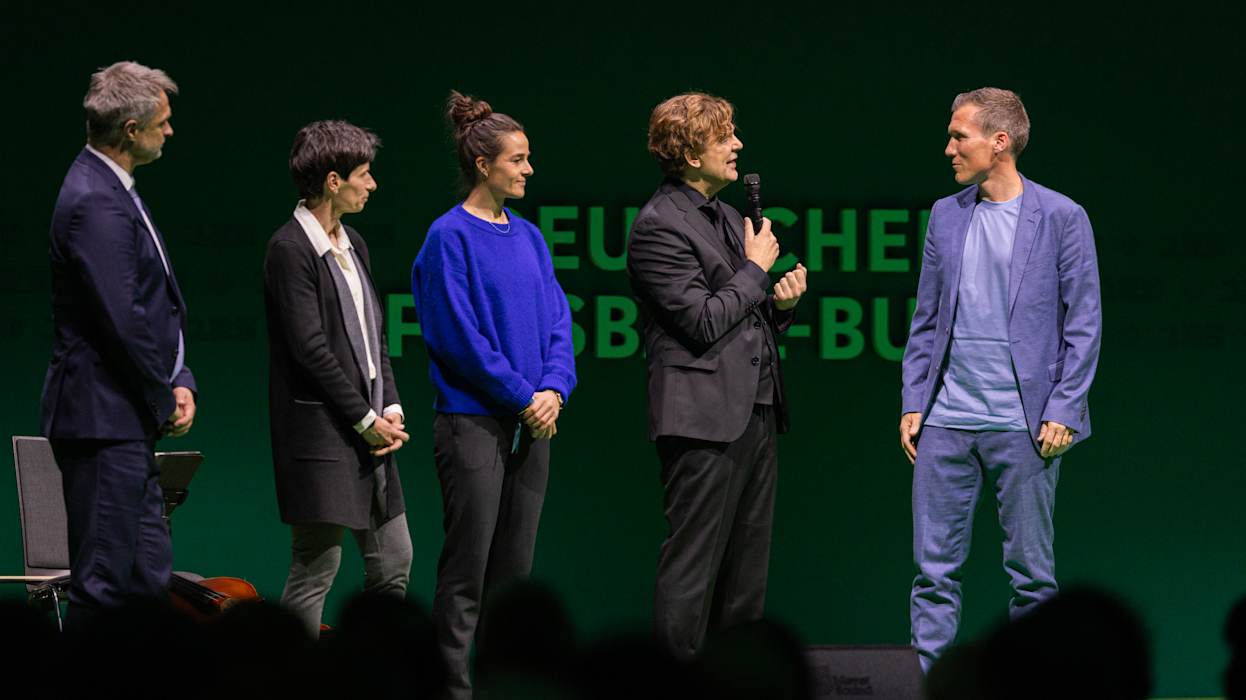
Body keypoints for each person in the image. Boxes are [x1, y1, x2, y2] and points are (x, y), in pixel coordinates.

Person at [900, 87, 1102, 671]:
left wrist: (1064, 408)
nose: (949, 149)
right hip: (947, 421)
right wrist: (914, 399)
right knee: (933, 574)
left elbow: (1084, 322)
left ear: (1000, 141)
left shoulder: (1061, 216)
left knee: (1032, 578)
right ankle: (928, 686)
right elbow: (927, 317)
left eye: (959, 136)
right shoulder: (946, 214)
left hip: (1025, 424)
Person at [626, 92, 808, 658]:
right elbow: (702, 321)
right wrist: (755, 270)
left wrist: (780, 305)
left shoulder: (728, 217)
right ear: (688, 152)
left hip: (755, 410)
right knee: (693, 571)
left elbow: (742, 319)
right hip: (702, 419)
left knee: (746, 576)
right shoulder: (659, 226)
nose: (738, 145)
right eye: (724, 137)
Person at [412, 90, 576, 698]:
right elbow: (458, 338)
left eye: (528, 158)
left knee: (513, 576)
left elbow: (558, 321)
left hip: (534, 424)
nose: (529, 169)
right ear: (483, 165)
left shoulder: (530, 237)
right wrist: (523, 397)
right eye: (518, 159)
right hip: (474, 424)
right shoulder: (447, 238)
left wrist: (554, 389)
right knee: (467, 573)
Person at [40, 61, 196, 623]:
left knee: (147, 583)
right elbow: (122, 319)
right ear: (131, 130)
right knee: (104, 587)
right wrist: (162, 395)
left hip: (124, 421)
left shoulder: (112, 189)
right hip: (103, 422)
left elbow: (153, 306)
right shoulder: (94, 199)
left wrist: (179, 379)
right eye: (162, 122)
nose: (170, 130)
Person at [263, 120, 412, 637]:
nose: (372, 184)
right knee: (316, 568)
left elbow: (375, 338)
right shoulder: (289, 249)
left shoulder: (355, 245)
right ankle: (292, 675)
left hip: (371, 431)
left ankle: (373, 670)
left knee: (394, 561)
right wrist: (365, 419)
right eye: (364, 174)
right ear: (333, 181)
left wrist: (389, 407)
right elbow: (310, 349)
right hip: (322, 435)